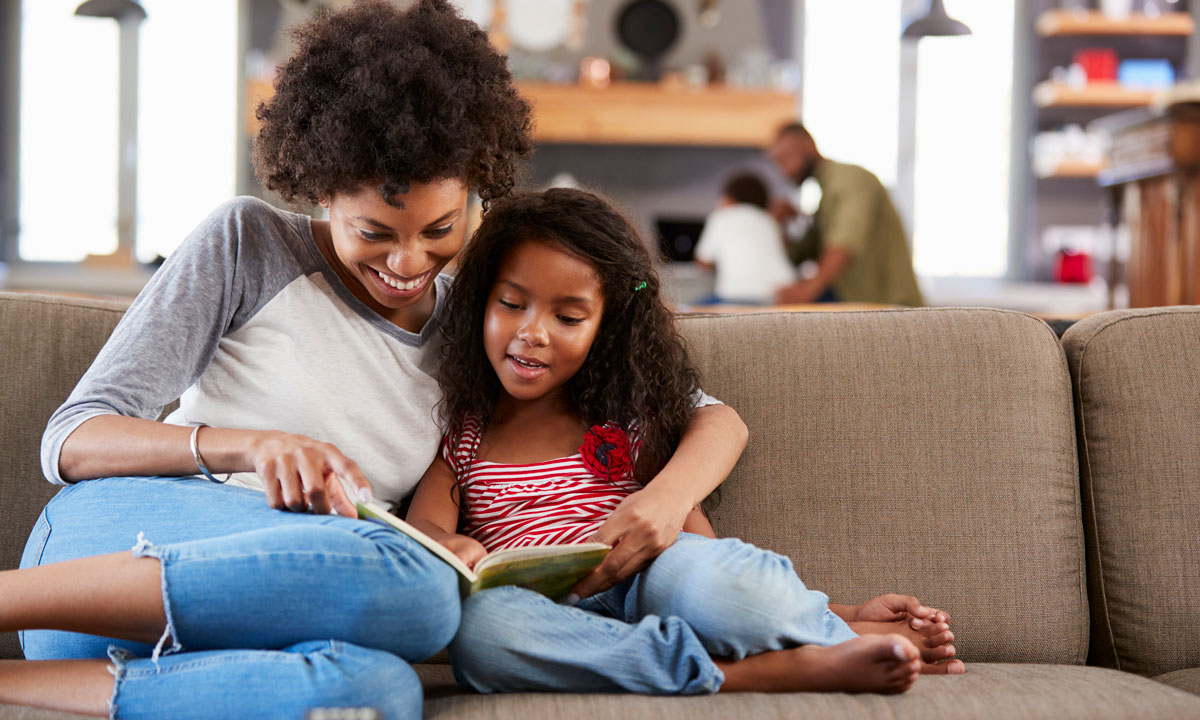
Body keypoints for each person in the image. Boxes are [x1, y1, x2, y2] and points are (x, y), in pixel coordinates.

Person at [0, 3, 747, 718]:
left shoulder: (484, 326)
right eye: (375, 231)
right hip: (99, 562)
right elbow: (70, 437)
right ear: (321, 186)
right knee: (419, 586)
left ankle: (21, 686)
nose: (409, 261)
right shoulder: (248, 244)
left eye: (440, 229)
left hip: (270, 607)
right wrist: (252, 447)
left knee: (380, 693)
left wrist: (662, 501)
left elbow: (707, 418)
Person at [405, 188, 965, 697]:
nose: (533, 332)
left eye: (569, 316)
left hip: (649, 580)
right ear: (480, 301)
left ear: (606, 326)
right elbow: (427, 525)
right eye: (511, 304)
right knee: (481, 635)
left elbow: (696, 544)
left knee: (721, 587)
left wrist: (841, 607)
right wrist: (449, 547)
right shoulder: (465, 434)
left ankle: (833, 629)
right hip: (546, 612)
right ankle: (756, 671)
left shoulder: (622, 417)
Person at [767, 122, 924, 307]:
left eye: (786, 157)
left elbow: (844, 243)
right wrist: (778, 224)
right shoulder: (825, 198)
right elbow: (798, 255)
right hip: (862, 307)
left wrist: (806, 292)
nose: (784, 170)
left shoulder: (851, 179)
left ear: (808, 144)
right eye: (777, 163)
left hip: (893, 308)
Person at [693, 173, 795, 305]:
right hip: (781, 292)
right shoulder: (769, 219)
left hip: (737, 294)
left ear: (729, 199)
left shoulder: (721, 216)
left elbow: (702, 262)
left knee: (686, 309)